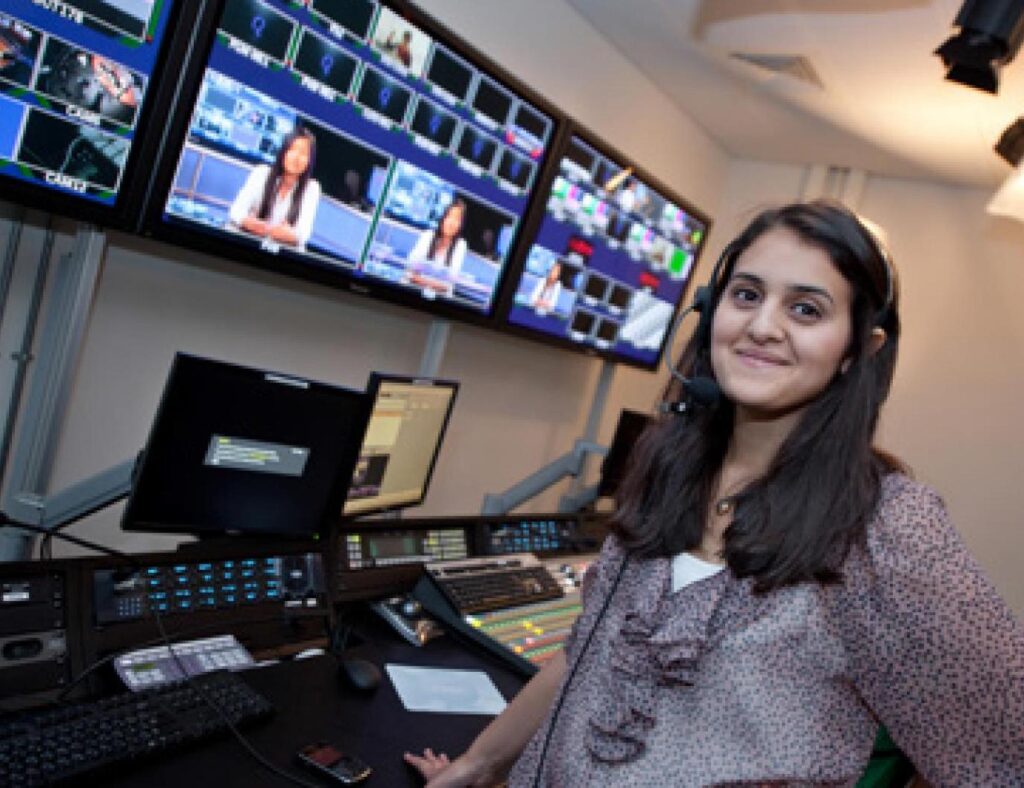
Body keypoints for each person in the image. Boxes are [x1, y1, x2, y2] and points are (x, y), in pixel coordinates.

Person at [405, 201, 1024, 786]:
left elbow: (999, 751)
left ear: (858, 349)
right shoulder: (671, 467)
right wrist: (478, 766)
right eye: (747, 295)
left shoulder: (889, 525)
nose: (761, 327)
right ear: (710, 311)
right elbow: (585, 652)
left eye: (806, 310)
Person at [228, 127, 321, 250]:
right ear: (283, 152)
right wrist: (248, 222)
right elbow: (235, 211)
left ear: (310, 161)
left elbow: (303, 234)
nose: (297, 157)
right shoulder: (261, 173)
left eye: (303, 153)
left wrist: (283, 233)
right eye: (292, 150)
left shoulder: (312, 188)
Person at [406, 199, 468, 295]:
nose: (452, 222)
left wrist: (421, 280)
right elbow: (410, 270)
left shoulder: (460, 245)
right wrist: (432, 283)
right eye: (449, 216)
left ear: (461, 225)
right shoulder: (428, 235)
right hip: (414, 291)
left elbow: (448, 285)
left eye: (457, 219)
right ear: (443, 218)